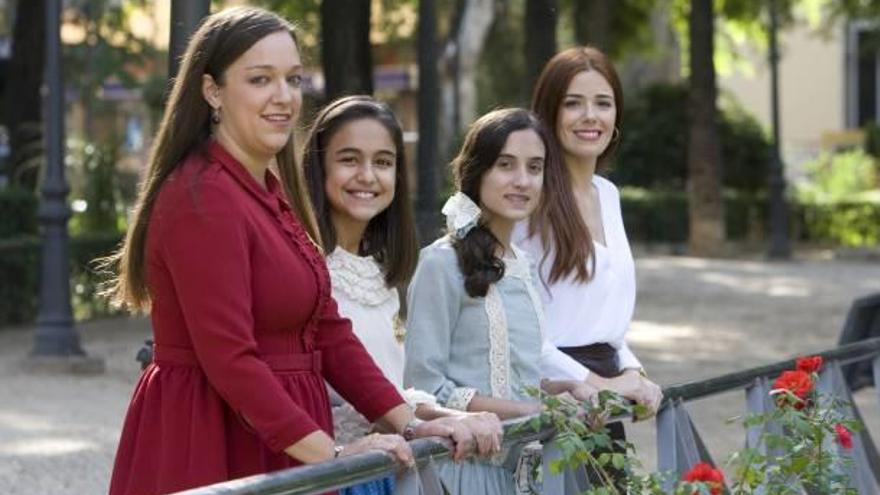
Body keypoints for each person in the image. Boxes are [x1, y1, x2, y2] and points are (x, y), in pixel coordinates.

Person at [104, 8, 478, 495]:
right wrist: (335, 455)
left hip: (284, 440)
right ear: (212, 90)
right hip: (216, 441)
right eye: (261, 79)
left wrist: (409, 423)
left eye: (293, 79)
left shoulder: (268, 191)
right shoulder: (203, 195)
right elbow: (229, 358)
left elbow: (327, 330)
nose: (283, 97)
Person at [301, 95, 503, 495]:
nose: (367, 175)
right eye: (348, 159)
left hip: (388, 468)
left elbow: (391, 388)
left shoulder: (380, 273)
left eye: (382, 162)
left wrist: (454, 416)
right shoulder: (305, 270)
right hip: (331, 474)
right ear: (318, 167)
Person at [404, 108, 598, 495]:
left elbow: (508, 373)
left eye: (535, 167)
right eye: (506, 165)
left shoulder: (523, 266)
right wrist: (530, 413)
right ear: (477, 173)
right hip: (459, 476)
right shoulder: (441, 263)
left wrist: (558, 391)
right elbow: (422, 391)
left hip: (527, 477)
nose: (522, 181)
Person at [515, 45, 664, 480]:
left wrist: (633, 371)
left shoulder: (608, 194)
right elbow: (522, 331)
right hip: (553, 400)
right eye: (573, 103)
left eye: (603, 102)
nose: (590, 116)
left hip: (603, 403)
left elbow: (606, 321)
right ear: (548, 112)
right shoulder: (529, 200)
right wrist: (598, 385)